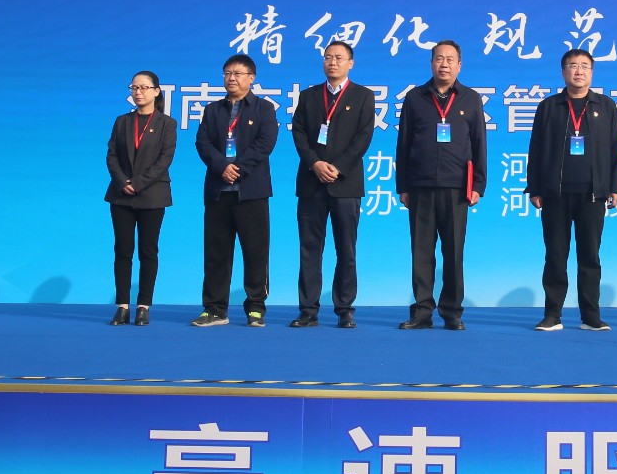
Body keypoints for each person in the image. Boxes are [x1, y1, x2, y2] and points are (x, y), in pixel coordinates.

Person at [527, 48, 617, 331]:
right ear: (563, 72)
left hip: (593, 194)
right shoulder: (549, 106)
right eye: (572, 65)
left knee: (590, 257)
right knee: (555, 255)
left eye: (584, 66)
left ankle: (590, 316)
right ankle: (552, 314)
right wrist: (535, 187)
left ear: (592, 72)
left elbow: (615, 149)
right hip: (555, 194)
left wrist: (615, 186)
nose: (578, 71)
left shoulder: (606, 106)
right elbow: (536, 149)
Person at [394, 40, 486, 330]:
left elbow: (479, 144)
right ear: (431, 63)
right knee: (421, 252)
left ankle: (452, 311)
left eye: (450, 59)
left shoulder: (471, 99)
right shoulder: (415, 98)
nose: (444, 64)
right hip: (420, 186)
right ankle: (422, 311)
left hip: (457, 187)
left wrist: (478, 184)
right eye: (439, 59)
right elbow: (403, 144)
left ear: (459, 65)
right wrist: (403, 185)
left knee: (453, 252)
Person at [288, 41, 375, 329]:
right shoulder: (309, 96)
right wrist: (315, 164)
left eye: (339, 58)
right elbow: (299, 133)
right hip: (311, 182)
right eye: (328, 57)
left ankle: (345, 308)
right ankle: (308, 310)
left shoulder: (363, 96)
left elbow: (363, 137)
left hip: (345, 184)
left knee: (346, 249)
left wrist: (337, 168)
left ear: (351, 63)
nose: (332, 62)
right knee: (309, 249)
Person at [193, 54, 278, 327]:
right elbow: (203, 143)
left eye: (238, 73)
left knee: (255, 252)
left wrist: (238, 168)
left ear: (251, 78)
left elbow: (265, 143)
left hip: (251, 192)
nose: (231, 78)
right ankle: (215, 309)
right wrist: (222, 167)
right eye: (227, 73)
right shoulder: (212, 110)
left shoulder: (264, 109)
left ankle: (256, 308)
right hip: (218, 191)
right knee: (216, 253)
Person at [104, 70, 176, 327]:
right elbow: (111, 156)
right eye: (134, 87)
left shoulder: (167, 124)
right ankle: (122, 306)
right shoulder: (122, 121)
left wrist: (138, 183)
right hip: (121, 195)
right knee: (123, 250)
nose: (138, 92)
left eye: (144, 87)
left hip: (152, 195)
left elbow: (164, 160)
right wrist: (123, 182)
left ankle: (144, 306)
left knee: (148, 251)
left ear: (156, 91)